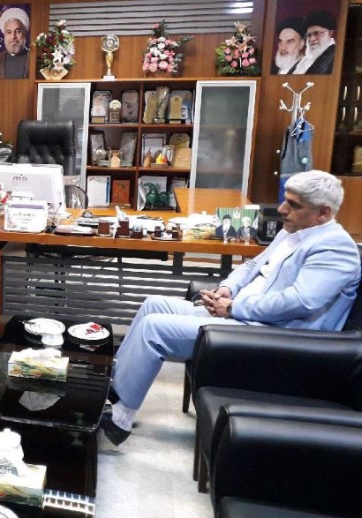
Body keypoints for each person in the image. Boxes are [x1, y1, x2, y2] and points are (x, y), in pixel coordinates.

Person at [100, 171, 361, 446]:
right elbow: (252, 265)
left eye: (294, 205)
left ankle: (120, 417)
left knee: (154, 329)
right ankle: (113, 392)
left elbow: (300, 302)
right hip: (245, 315)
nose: (282, 209)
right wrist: (228, 288)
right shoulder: (293, 232)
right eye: (285, 200)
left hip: (275, 335)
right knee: (153, 304)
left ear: (323, 213)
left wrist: (235, 307)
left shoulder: (336, 247)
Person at [0, 7, 30, 79]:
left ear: (24, 33)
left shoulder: (35, 60)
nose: (13, 36)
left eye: (18, 31)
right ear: (4, 35)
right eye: (9, 32)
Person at [293, 10, 336, 75]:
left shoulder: (335, 57)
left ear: (330, 33)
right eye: (309, 35)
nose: (312, 39)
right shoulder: (301, 62)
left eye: (316, 33)